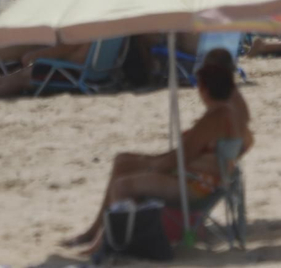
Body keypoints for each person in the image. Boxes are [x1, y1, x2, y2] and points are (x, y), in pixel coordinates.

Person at [63, 59, 252, 251]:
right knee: (123, 162)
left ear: (204, 89)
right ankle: (97, 231)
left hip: (195, 185)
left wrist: (149, 165)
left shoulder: (214, 118)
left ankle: (108, 243)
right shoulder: (230, 114)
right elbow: (243, 143)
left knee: (124, 184)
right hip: (203, 179)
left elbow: (180, 158)